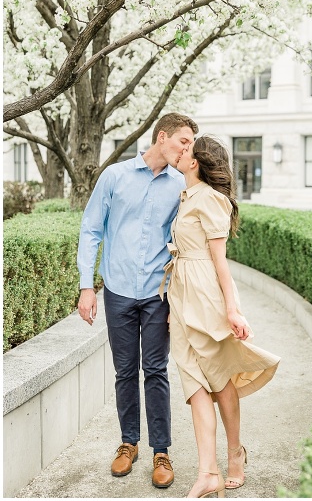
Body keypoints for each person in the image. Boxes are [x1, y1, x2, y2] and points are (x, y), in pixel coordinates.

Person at [77, 112, 199, 488]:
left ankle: (161, 451)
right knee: (126, 371)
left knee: (156, 371)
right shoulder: (114, 176)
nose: (188, 149)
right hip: (117, 291)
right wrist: (86, 286)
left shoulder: (180, 184)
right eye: (184, 141)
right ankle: (128, 443)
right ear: (162, 137)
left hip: (157, 294)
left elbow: (184, 242)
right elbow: (92, 229)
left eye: (191, 143)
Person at [163, 134, 280, 498]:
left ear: (195, 161)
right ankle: (207, 473)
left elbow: (220, 262)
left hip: (205, 295)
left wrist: (232, 308)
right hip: (180, 295)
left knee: (220, 379)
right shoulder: (186, 196)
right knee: (193, 382)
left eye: (185, 150)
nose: (180, 153)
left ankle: (234, 454)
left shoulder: (211, 200)